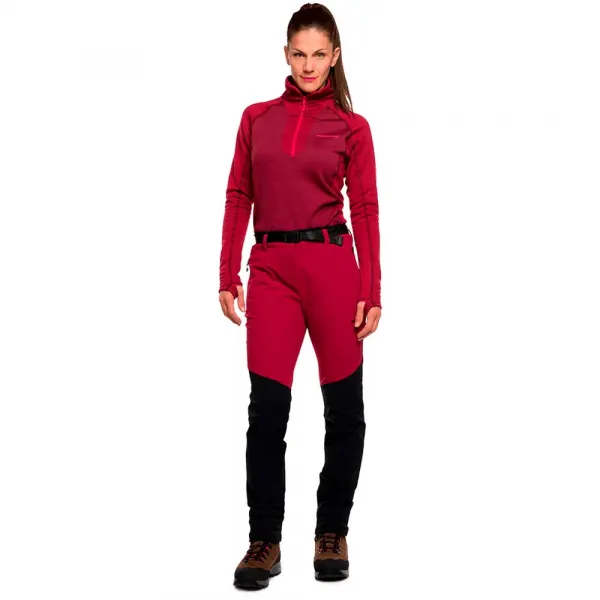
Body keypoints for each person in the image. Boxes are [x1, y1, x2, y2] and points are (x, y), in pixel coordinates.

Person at [218, 3, 382, 590]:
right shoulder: (256, 118)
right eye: (298, 53)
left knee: (345, 411)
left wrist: (372, 288)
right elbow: (239, 195)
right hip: (271, 273)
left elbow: (366, 208)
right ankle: (264, 541)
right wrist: (227, 274)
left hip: (333, 271)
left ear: (334, 56)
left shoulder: (352, 127)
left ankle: (331, 532)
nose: (308, 65)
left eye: (318, 54)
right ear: (285, 54)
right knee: (266, 412)